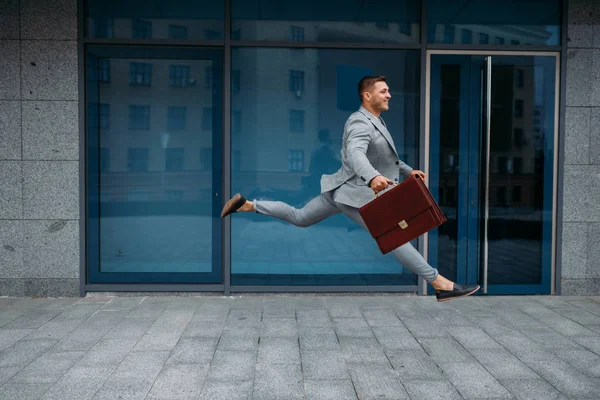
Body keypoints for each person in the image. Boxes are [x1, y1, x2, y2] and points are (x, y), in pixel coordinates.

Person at [221, 76, 480, 302]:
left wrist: (407, 170)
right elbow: (357, 155)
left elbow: (387, 158)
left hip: (340, 191)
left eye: (389, 90)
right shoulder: (360, 122)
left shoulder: (375, 120)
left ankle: (249, 205)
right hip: (357, 196)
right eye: (383, 91)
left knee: (300, 218)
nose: (389, 94)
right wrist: (372, 177)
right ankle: (440, 284)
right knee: (396, 238)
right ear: (367, 96)